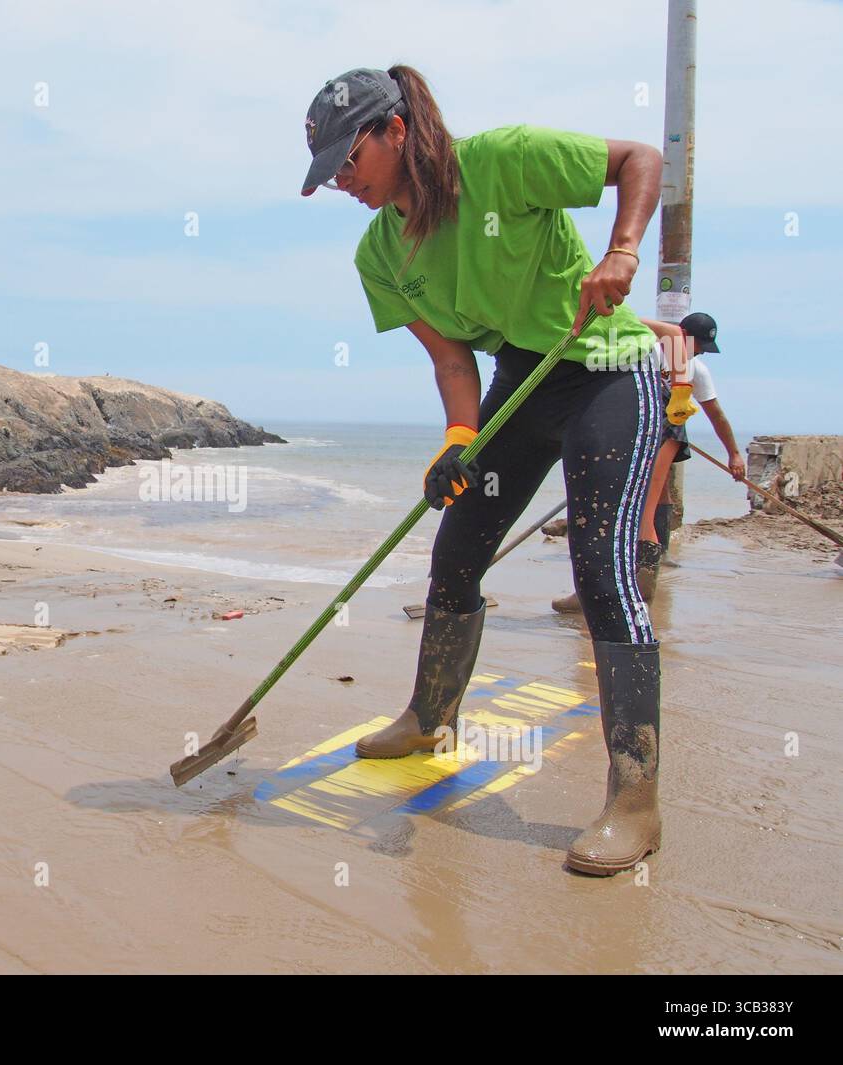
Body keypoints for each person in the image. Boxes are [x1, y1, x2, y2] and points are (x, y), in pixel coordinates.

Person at [300, 66, 664, 875]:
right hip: (520, 379)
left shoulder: (507, 159)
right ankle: (431, 715)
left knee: (602, 570)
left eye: (347, 159)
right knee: (456, 551)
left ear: (395, 130)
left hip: (603, 363)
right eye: (329, 172)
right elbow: (451, 356)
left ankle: (635, 800)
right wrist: (457, 438)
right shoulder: (380, 251)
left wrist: (623, 251)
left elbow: (641, 157)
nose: (342, 182)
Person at [552, 311, 743, 611]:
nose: (693, 353)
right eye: (692, 344)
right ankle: (631, 589)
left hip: (665, 430)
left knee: (642, 505)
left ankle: (628, 591)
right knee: (631, 503)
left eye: (698, 349)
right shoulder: (646, 347)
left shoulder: (697, 370)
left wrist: (733, 453)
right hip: (632, 422)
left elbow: (715, 414)